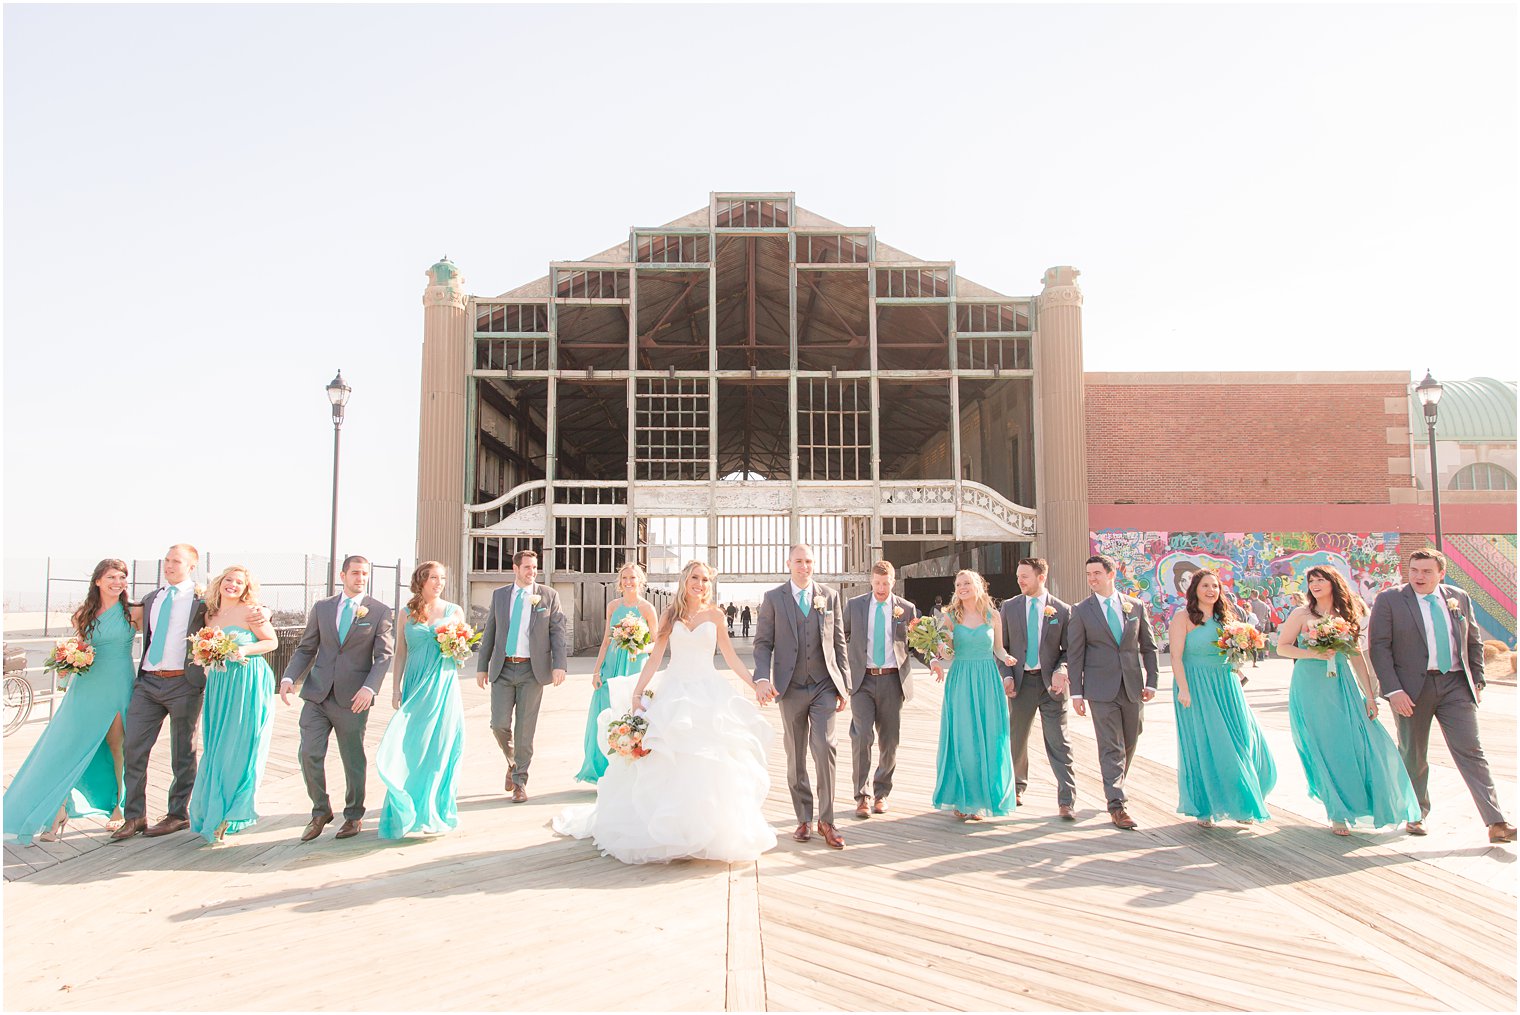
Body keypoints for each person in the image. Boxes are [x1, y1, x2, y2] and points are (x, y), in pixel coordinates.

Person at [552, 560, 776, 864]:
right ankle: (667, 830)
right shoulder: (671, 616)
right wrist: (637, 693)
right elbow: (655, 657)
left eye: (705, 580)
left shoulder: (716, 616)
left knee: (710, 760)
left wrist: (755, 684)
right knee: (666, 757)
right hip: (674, 690)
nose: (700, 584)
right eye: (695, 578)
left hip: (709, 692)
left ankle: (706, 831)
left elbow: (732, 658)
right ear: (685, 581)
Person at [1368, 549, 1514, 843]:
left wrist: (1478, 679)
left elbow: (1473, 640)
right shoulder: (1390, 600)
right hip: (1410, 690)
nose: (1419, 577)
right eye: (1414, 570)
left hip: (1456, 685)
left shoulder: (1458, 597)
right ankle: (1415, 813)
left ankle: (1496, 822)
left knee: (1471, 751)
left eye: (1426, 572)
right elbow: (1379, 647)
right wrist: (1393, 690)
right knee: (1414, 752)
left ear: (1441, 574)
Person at [1276, 565, 1418, 835]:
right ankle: (1337, 811)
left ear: (1333, 582)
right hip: (1310, 684)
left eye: (1321, 579)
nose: (1315, 584)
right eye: (1311, 581)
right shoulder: (1301, 613)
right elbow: (1282, 646)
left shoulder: (1346, 614)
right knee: (1324, 746)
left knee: (1357, 741)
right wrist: (1314, 654)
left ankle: (1366, 801)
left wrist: (1369, 695)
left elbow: (1356, 656)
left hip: (1343, 683)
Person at [4, 559, 138, 844]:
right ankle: (58, 812)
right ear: (98, 581)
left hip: (119, 685)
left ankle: (120, 805)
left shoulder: (134, 613)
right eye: (112, 576)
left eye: (123, 576)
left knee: (118, 746)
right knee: (71, 748)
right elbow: (79, 648)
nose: (118, 581)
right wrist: (67, 666)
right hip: (87, 687)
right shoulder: (82, 614)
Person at [280, 554, 396, 841]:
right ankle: (320, 810)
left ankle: (354, 814)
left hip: (354, 698)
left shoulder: (379, 611)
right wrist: (288, 677)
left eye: (365, 573)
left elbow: (384, 655)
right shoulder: (322, 608)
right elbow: (307, 648)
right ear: (342, 575)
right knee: (309, 752)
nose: (361, 578)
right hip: (317, 695)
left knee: (353, 758)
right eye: (355, 572)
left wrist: (370, 689)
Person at [754, 543, 850, 849]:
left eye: (808, 561)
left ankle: (828, 820)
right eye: (799, 561)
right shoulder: (773, 599)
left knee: (825, 747)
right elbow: (762, 643)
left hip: (823, 684)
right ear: (788, 563)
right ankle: (803, 819)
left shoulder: (829, 596)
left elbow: (839, 643)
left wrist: (844, 683)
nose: (804, 566)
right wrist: (762, 676)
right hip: (790, 686)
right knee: (795, 754)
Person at [113, 543, 210, 841]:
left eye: (176, 561)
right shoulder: (152, 597)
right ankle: (134, 817)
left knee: (183, 752)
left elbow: (233, 611)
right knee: (134, 749)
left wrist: (263, 612)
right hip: (148, 683)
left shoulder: (203, 600)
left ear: (191, 566)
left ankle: (177, 814)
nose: (168, 566)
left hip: (184, 683)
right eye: (166, 560)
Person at [1167, 571, 1277, 827]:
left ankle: (1243, 802)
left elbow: (1231, 652)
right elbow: (1175, 657)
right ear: (1194, 589)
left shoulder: (1226, 618)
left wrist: (1240, 662)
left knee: (1244, 740)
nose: (1210, 590)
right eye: (1205, 585)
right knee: (1207, 744)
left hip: (1226, 684)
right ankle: (1207, 807)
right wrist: (1184, 689)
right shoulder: (1183, 618)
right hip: (1195, 685)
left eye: (1215, 586)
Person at [376, 561, 467, 839]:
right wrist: (395, 688)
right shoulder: (405, 613)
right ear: (421, 580)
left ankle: (431, 811)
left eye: (442, 578)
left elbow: (462, 654)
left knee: (439, 748)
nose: (439, 583)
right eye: (433, 578)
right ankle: (406, 808)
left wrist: (455, 646)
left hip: (443, 685)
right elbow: (400, 653)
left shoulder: (454, 611)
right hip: (415, 684)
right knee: (410, 746)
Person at [188, 565, 277, 845]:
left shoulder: (251, 611)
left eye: (239, 582)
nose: (233, 585)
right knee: (216, 746)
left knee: (238, 746)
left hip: (248, 680)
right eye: (229, 580)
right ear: (220, 582)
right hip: (219, 684)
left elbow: (271, 642)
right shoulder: (209, 614)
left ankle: (229, 813)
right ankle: (215, 810)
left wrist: (243, 649)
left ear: (246, 588)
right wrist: (205, 662)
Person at [1069, 553, 1159, 830]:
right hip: (1099, 688)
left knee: (1131, 740)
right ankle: (1117, 805)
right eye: (1088, 574)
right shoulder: (1081, 610)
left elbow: (1148, 646)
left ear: (1111, 574)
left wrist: (1152, 680)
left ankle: (1115, 785)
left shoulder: (1135, 606)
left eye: (1096, 573)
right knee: (1111, 746)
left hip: (1132, 686)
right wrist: (1077, 692)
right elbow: (1076, 653)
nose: (1091, 579)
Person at [473, 549, 567, 803]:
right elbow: (490, 631)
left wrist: (559, 664)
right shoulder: (500, 596)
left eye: (534, 567)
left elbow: (557, 632)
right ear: (515, 569)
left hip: (532, 671)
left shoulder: (548, 596)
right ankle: (512, 761)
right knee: (499, 725)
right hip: (502, 668)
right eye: (527, 567)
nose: (531, 572)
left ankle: (520, 782)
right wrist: (482, 666)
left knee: (526, 730)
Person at [929, 570, 1018, 820]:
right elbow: (946, 651)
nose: (962, 587)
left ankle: (981, 801)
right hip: (961, 679)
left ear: (978, 585)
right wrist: (941, 652)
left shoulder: (993, 616)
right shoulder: (950, 617)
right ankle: (963, 799)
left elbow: (998, 649)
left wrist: (1007, 659)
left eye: (967, 583)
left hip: (988, 680)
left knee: (990, 738)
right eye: (958, 584)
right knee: (964, 739)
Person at [998, 557, 1077, 819]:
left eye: (1025, 577)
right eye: (1018, 576)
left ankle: (1066, 799)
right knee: (1016, 739)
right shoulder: (1009, 608)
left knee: (1059, 742)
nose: (1020, 581)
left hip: (1052, 686)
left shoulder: (1063, 610)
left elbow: (1069, 652)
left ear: (1041, 577)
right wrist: (1007, 676)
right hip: (1021, 684)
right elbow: (1001, 649)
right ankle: (1017, 787)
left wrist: (1061, 671)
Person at [843, 560, 920, 818]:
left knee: (890, 741)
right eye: (876, 583)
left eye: (885, 584)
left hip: (891, 680)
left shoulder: (907, 609)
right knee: (862, 736)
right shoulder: (854, 606)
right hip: (862, 681)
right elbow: (840, 639)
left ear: (893, 582)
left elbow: (917, 643)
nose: (881, 588)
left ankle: (881, 793)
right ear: (871, 581)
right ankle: (862, 796)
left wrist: (934, 658)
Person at [575, 562, 657, 784]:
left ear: (640, 581)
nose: (629, 582)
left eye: (633, 578)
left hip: (635, 665)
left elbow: (656, 644)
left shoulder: (647, 609)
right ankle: (603, 771)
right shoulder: (612, 606)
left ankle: (633, 772)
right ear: (620, 582)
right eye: (625, 578)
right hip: (611, 663)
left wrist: (639, 647)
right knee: (605, 711)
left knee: (632, 713)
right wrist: (596, 671)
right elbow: (605, 640)